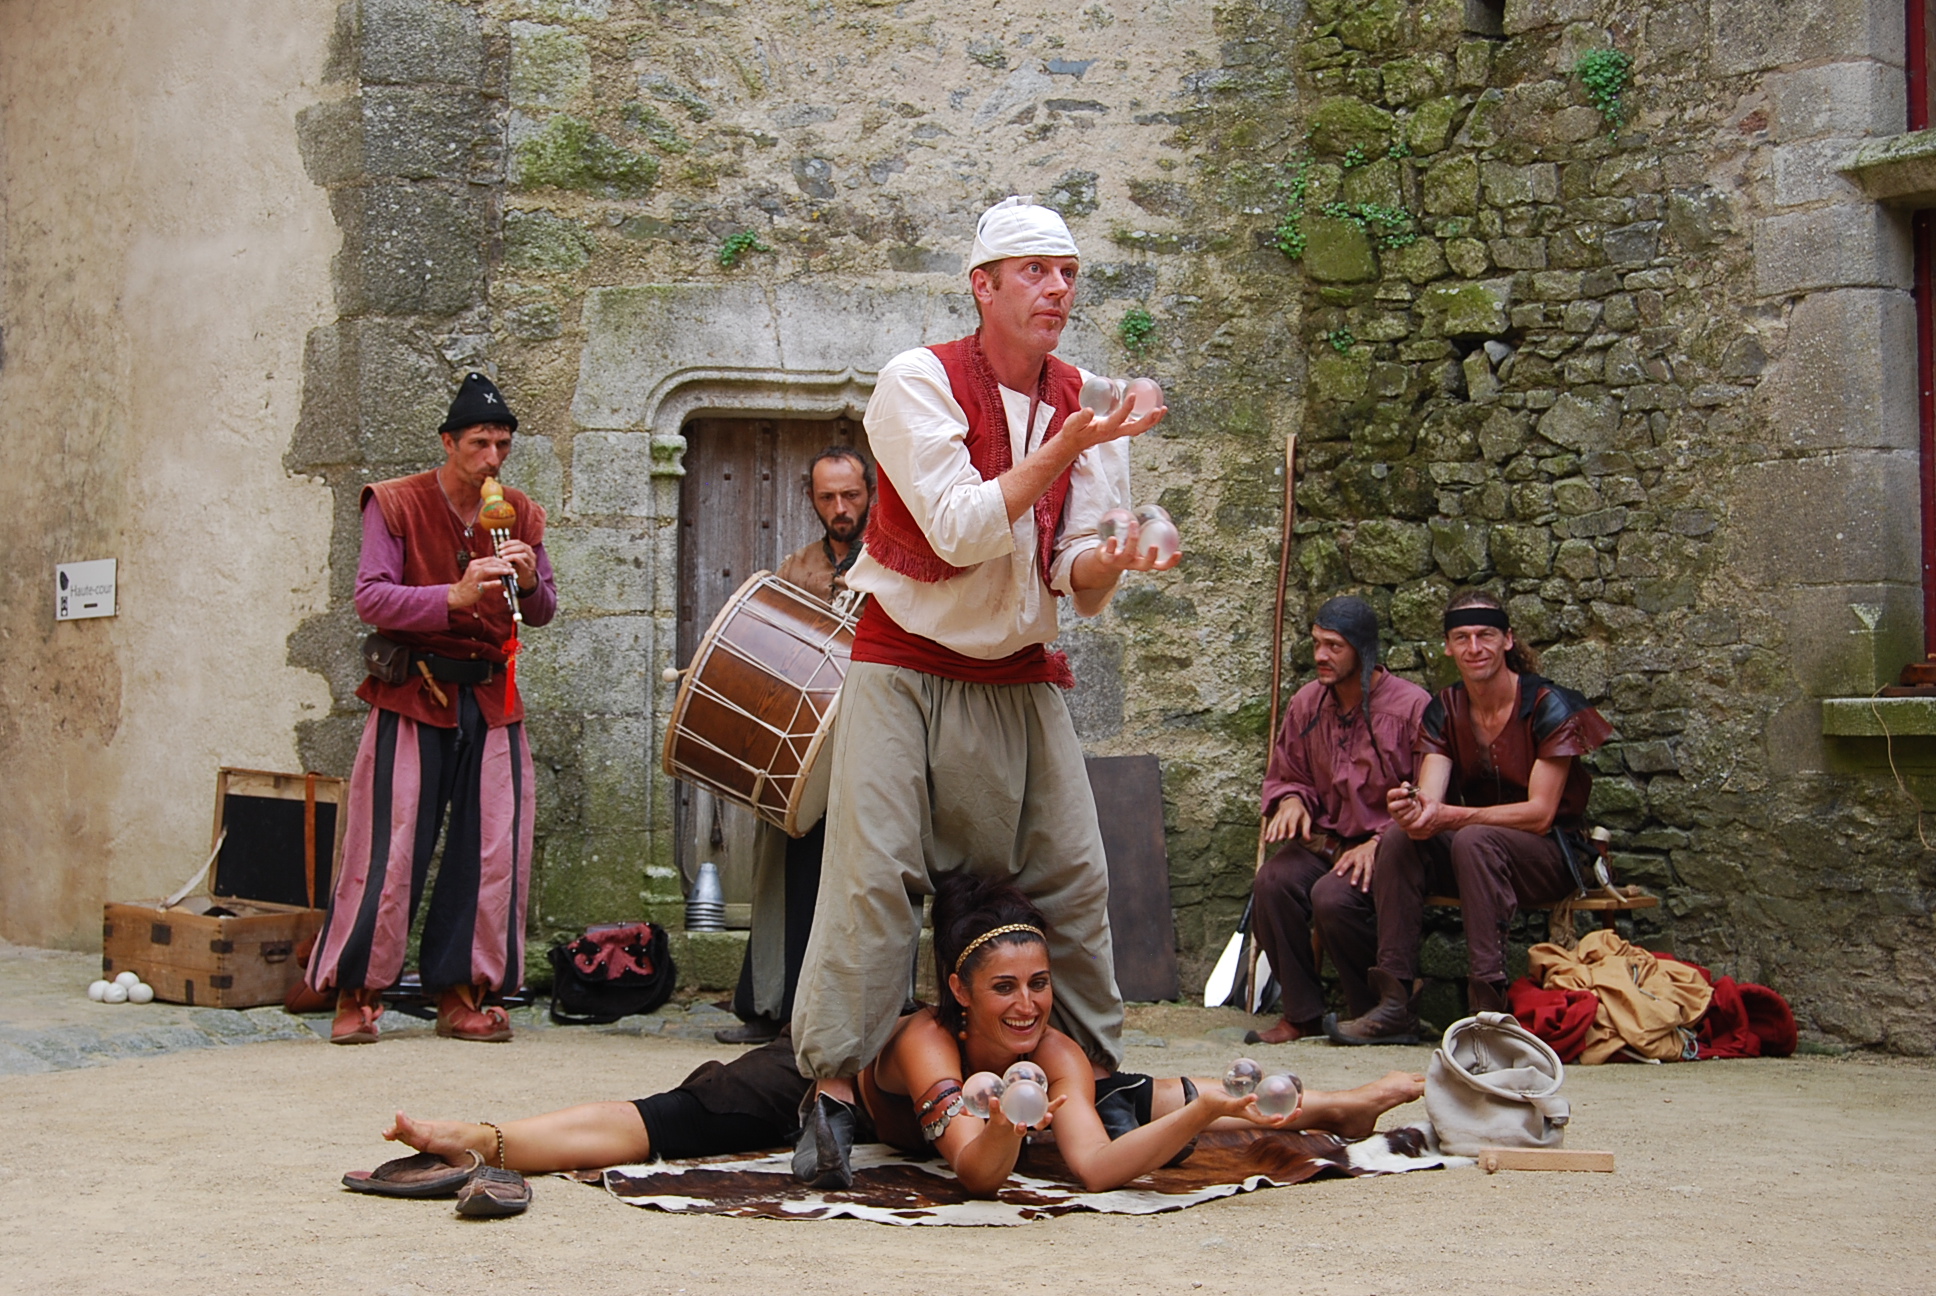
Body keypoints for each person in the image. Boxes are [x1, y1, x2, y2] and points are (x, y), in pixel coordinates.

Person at [788, 195, 1178, 1185]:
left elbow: (1074, 568)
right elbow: (962, 528)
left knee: (1073, 879)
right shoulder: (913, 381)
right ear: (983, 285)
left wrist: (1116, 559)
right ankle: (835, 1091)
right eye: (1034, 270)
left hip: (1020, 672)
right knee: (874, 879)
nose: (1056, 287)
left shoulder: (1087, 396)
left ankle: (1089, 1071)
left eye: (1067, 272)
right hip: (902, 661)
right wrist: (1070, 445)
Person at [356, 873, 1424, 1202]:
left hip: (1000, 1110)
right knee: (666, 1123)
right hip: (818, 1089)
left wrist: (1198, 1112)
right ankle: (486, 1137)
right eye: (1003, 989)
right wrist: (1005, 1119)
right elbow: (972, 1170)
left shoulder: (1051, 1050)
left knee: (1146, 1090)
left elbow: (1094, 1163)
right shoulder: (924, 1043)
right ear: (959, 997)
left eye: (1040, 987)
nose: (1026, 1007)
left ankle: (1331, 1101)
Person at [305, 372, 557, 1045]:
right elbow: (372, 598)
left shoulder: (522, 513)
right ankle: (355, 993)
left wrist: (529, 581)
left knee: (490, 850)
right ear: (449, 442)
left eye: (503, 444)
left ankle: (462, 993)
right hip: (414, 693)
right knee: (386, 846)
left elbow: (544, 612)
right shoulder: (394, 504)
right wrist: (453, 594)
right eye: (480, 443)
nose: (493, 459)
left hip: (491, 699)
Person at [1327, 589, 1613, 1045]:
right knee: (1401, 840)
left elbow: (1540, 815)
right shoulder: (1446, 708)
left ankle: (1488, 1013)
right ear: (1447, 646)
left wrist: (1448, 816)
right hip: (1475, 853)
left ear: (1507, 641)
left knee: (1474, 838)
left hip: (1551, 856)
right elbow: (1430, 805)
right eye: (1462, 637)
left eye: (1486, 635)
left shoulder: (1547, 704)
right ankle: (1395, 1002)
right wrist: (1412, 810)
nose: (1474, 648)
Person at [718, 446, 875, 1045]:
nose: (840, 508)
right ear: (812, 499)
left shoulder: (893, 558)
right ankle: (770, 1009)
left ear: (870, 493)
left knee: (860, 881)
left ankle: (853, 1015)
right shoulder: (797, 566)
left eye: (851, 496)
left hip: (869, 744)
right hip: (799, 748)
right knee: (782, 873)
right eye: (827, 497)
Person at [1244, 596, 1430, 1045]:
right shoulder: (1307, 703)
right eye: (1317, 644)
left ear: (1363, 651)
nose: (1321, 656)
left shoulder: (1411, 707)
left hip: (1392, 849)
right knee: (1273, 881)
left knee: (1332, 897)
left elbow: (1428, 793)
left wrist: (1384, 839)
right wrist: (1290, 801)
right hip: (1326, 843)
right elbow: (1288, 773)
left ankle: (1380, 1011)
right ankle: (1302, 1012)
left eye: (1334, 646)